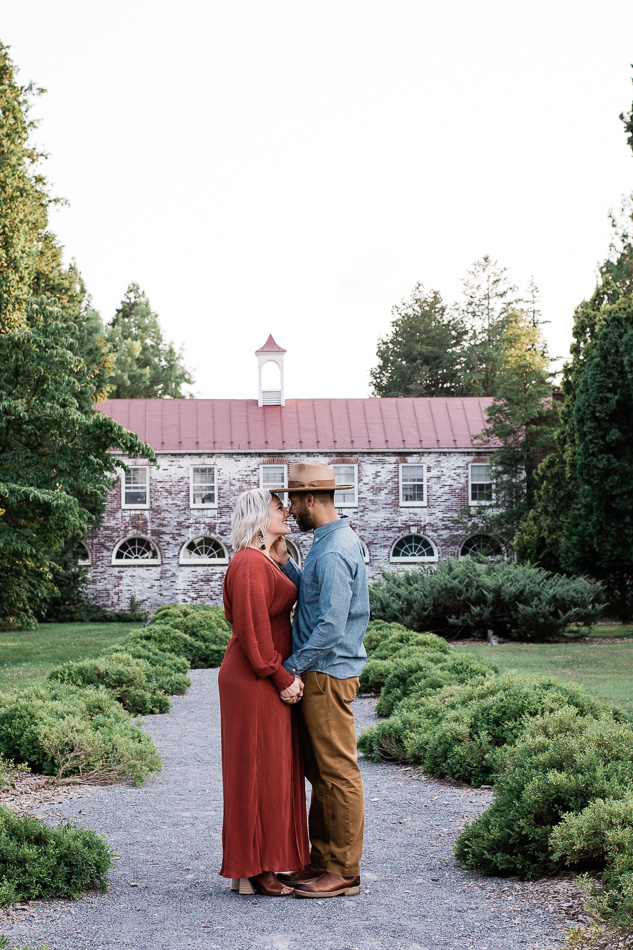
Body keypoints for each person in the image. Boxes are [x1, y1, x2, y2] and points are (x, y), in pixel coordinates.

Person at [269, 462, 370, 899]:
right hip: (322, 670)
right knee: (321, 771)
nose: (290, 509)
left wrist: (290, 666)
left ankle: (344, 870)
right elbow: (313, 598)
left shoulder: (332, 550)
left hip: (326, 673)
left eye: (293, 500)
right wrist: (284, 561)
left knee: (337, 771)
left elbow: (329, 625)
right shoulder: (327, 543)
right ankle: (322, 859)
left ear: (311, 499)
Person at [219, 488, 310, 896]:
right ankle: (254, 866)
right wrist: (283, 678)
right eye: (279, 508)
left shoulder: (262, 559)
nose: (287, 512)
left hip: (261, 677)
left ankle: (260, 862)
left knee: (269, 769)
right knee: (257, 770)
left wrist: (280, 549)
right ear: (259, 516)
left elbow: (296, 589)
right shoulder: (248, 564)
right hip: (255, 680)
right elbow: (253, 637)